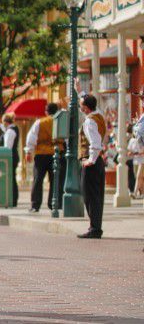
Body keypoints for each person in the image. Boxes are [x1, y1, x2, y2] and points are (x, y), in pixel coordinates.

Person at [24, 102, 64, 212]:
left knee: (38, 180)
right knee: (55, 180)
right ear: (57, 112)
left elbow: (31, 138)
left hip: (41, 154)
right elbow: (66, 139)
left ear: (46, 112)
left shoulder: (39, 122)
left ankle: (35, 205)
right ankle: (54, 204)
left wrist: (28, 152)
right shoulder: (61, 122)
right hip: (57, 153)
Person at [77, 94, 106, 239]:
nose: (80, 106)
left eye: (81, 104)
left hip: (92, 162)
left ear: (86, 108)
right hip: (99, 161)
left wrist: (91, 160)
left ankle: (94, 228)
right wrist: (80, 92)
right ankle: (96, 227)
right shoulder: (98, 114)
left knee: (89, 196)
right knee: (97, 195)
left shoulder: (89, 122)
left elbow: (95, 142)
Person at [0, 113, 20, 207]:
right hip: (14, 156)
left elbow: (7, 147)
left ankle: (12, 199)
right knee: (12, 178)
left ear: (6, 122)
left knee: (10, 178)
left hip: (10, 157)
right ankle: (13, 199)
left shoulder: (10, 131)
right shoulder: (13, 128)